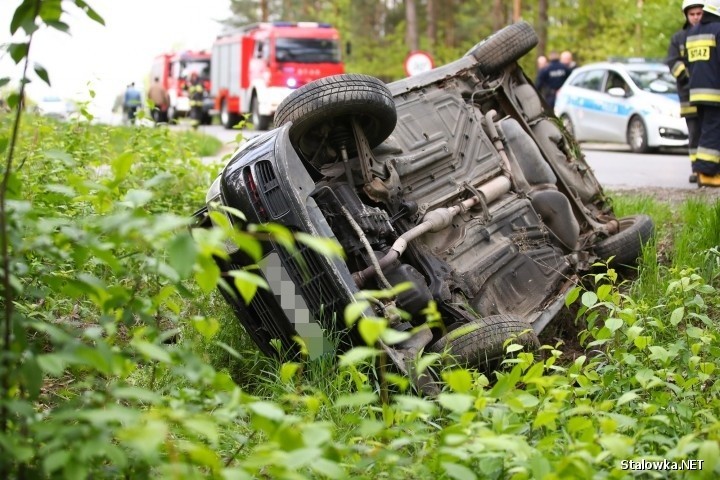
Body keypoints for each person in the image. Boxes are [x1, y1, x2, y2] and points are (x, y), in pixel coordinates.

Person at [667, 1, 705, 183]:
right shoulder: (679, 38)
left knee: (710, 131)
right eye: (693, 14)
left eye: (699, 13)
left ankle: (707, 169)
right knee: (695, 131)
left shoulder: (711, 33)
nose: (696, 17)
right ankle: (696, 168)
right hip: (688, 94)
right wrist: (692, 77)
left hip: (709, 93)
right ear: (686, 15)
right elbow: (673, 62)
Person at [686, 0, 720, 187]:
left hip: (697, 92)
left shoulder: (693, 32)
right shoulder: (717, 29)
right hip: (715, 92)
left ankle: (706, 171)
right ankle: (707, 173)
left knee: (705, 131)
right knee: (713, 131)